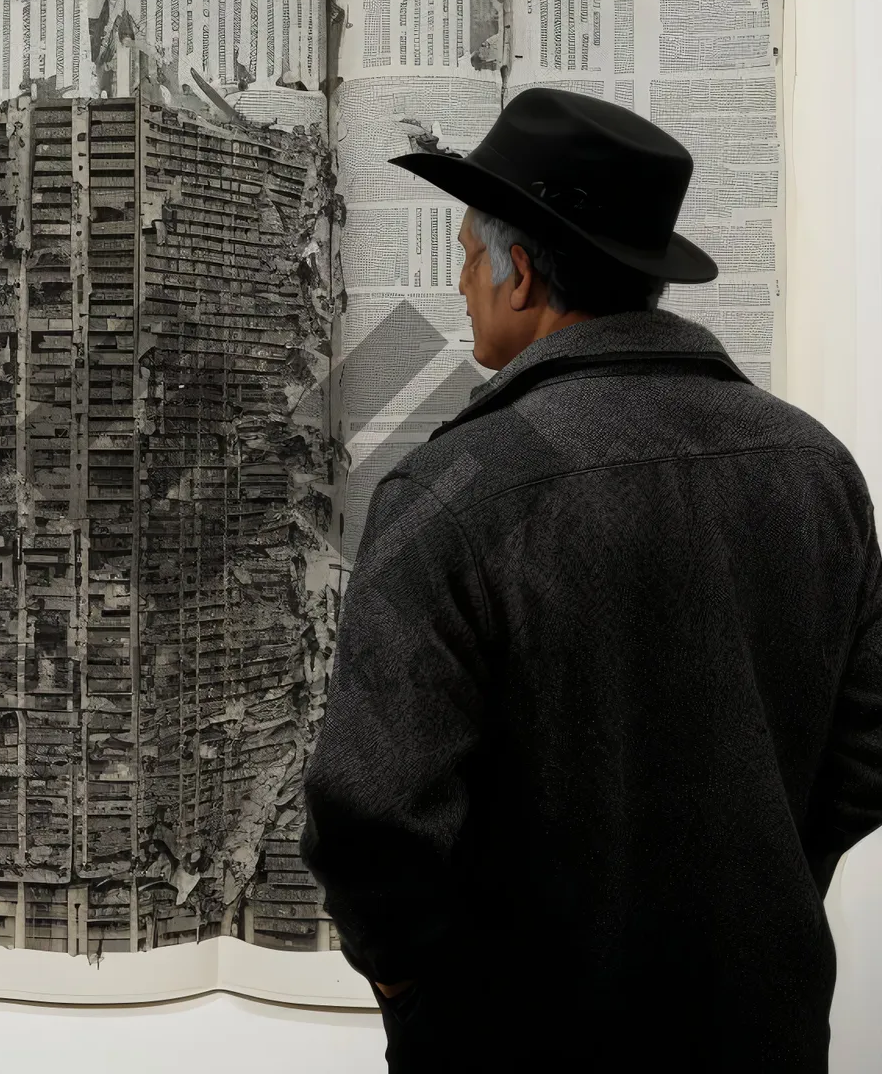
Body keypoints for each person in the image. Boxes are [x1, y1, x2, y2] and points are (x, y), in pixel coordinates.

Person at [299, 87, 882, 1072]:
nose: (462, 285)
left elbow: (367, 814)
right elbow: (866, 751)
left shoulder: (452, 490)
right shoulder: (817, 465)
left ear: (518, 271)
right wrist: (759, 897)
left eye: (466, 256)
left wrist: (423, 1001)